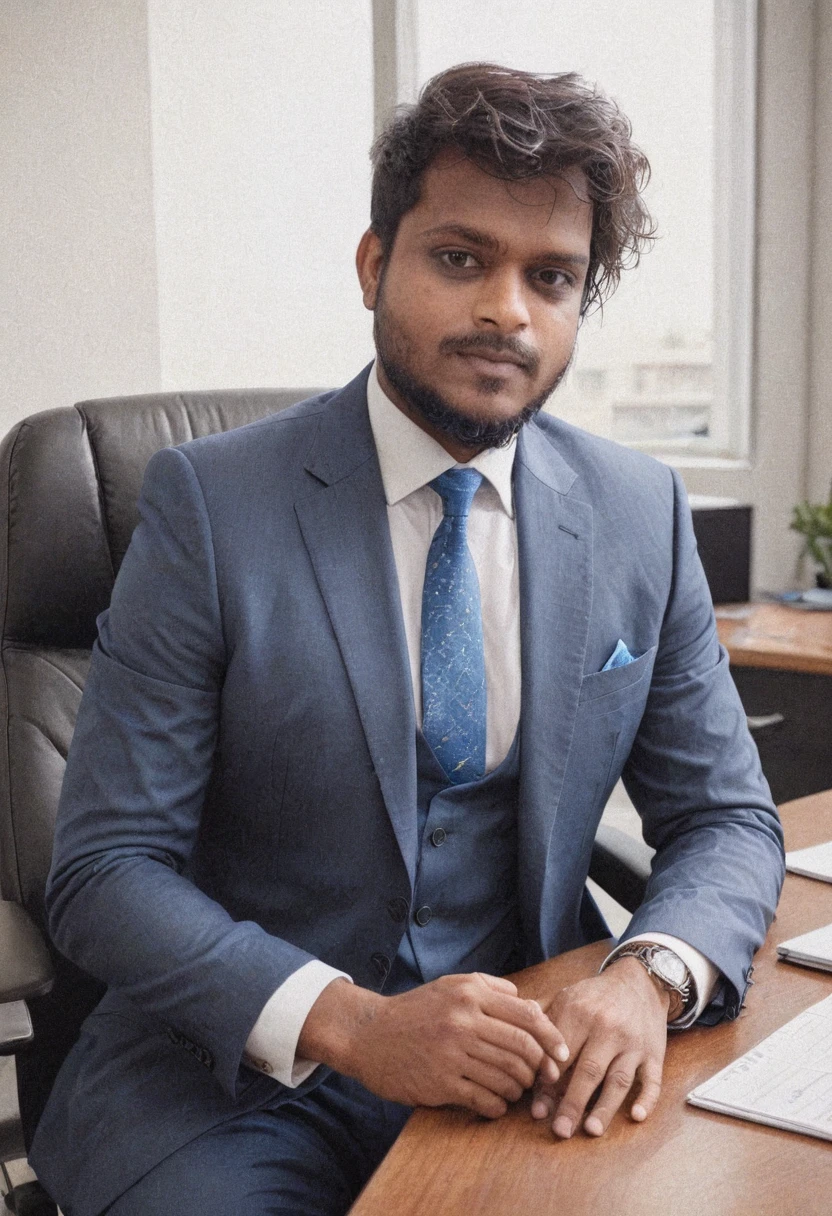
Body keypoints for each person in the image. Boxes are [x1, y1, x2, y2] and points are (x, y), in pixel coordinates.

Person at [30, 63, 784, 1215]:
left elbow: (726, 819)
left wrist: (645, 978)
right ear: (376, 262)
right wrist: (354, 1023)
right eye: (459, 258)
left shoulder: (638, 512)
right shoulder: (208, 506)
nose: (506, 311)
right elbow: (102, 870)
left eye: (552, 277)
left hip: (526, 1062)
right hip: (224, 1081)